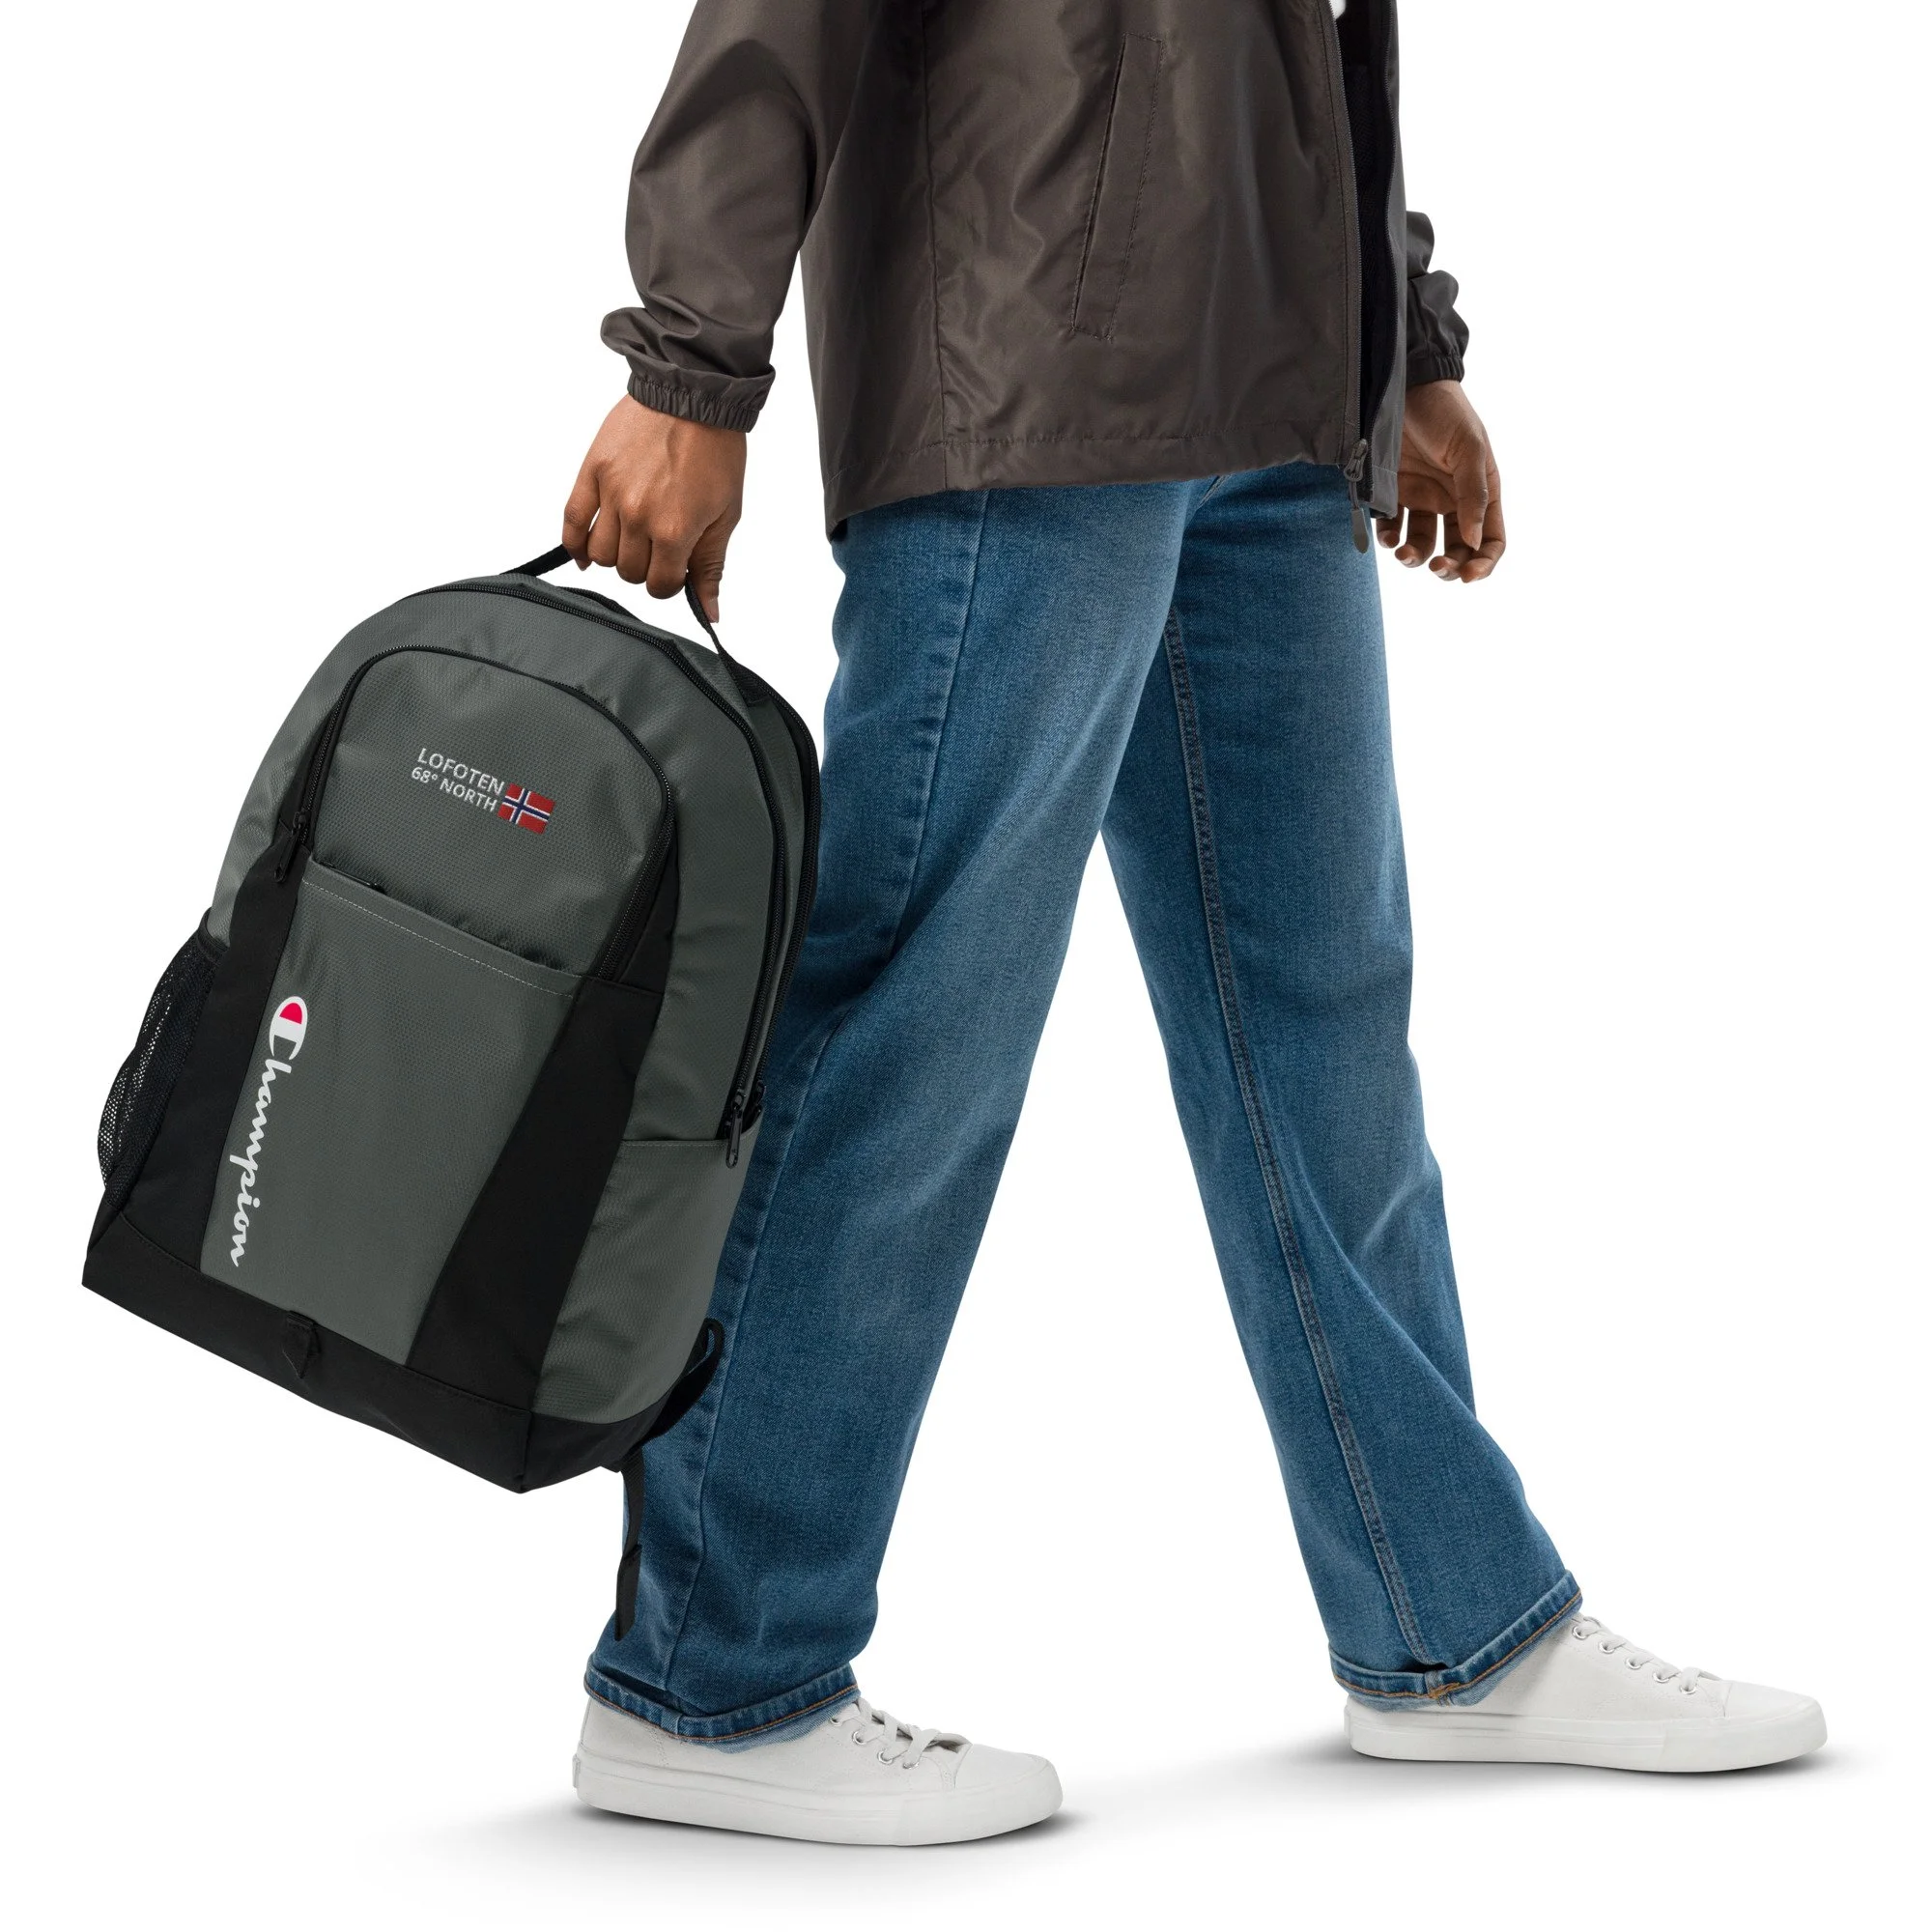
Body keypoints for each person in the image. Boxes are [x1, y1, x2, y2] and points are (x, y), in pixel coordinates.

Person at [557, 0, 1824, 1844]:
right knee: (915, 1022)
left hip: (1278, 399)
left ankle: (1451, 1621)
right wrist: (691, 368)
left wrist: (1407, 342)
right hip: (1032, 383)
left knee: (1324, 1024)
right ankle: (710, 1677)